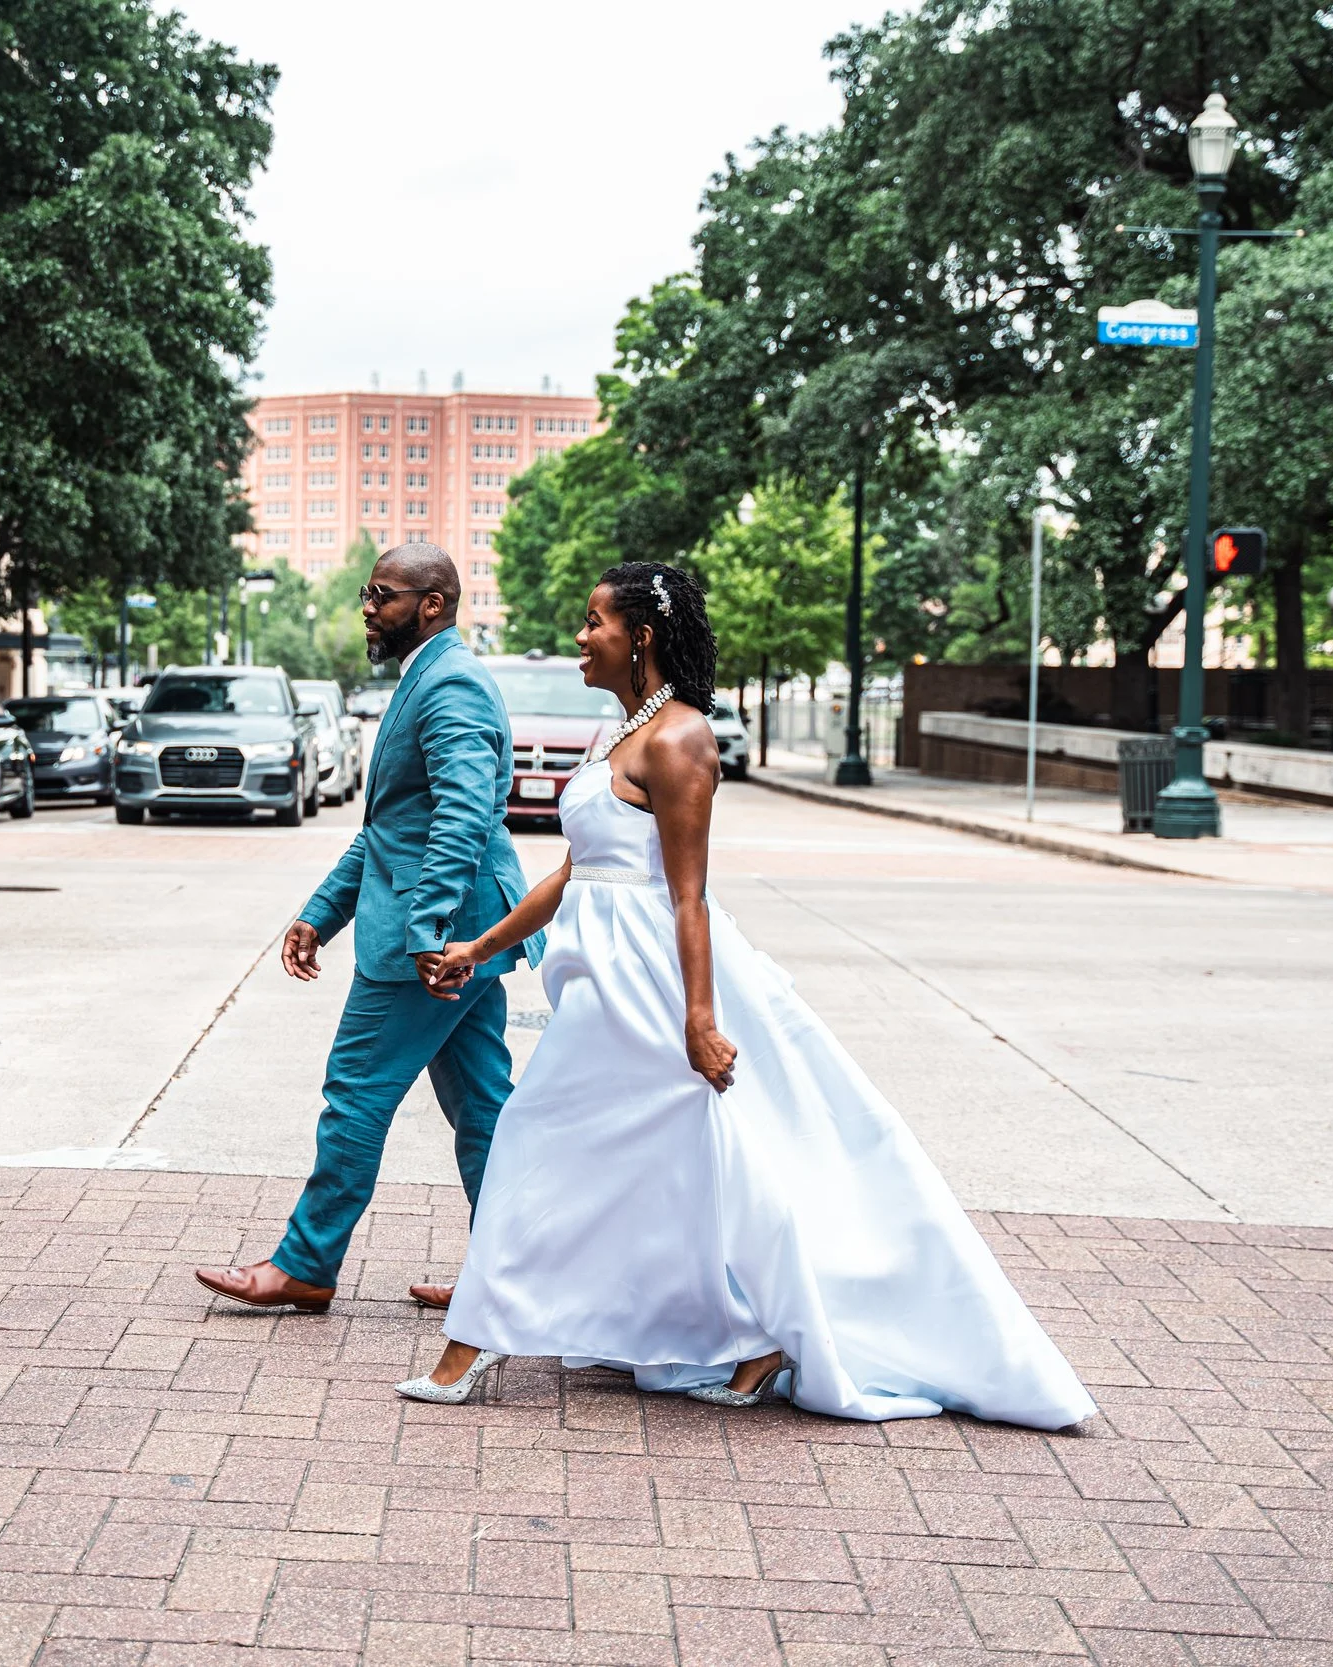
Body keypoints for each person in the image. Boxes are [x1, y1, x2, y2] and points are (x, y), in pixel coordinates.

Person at [394, 562, 1095, 1429]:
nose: (580, 637)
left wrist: (700, 1019)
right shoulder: (616, 732)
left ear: (639, 638)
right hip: (601, 984)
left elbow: (686, 894)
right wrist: (482, 947)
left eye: (593, 623)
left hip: (653, 982)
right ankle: (744, 1331)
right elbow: (579, 872)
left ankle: (477, 1343)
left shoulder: (681, 740)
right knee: (674, 1165)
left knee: (555, 1137)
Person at [193, 544, 541, 1314]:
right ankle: (510, 1272)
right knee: (485, 1105)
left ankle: (307, 1263)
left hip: (434, 946)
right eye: (366, 591)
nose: (366, 605)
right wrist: (320, 911)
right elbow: (392, 828)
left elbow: (460, 818)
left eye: (381, 593)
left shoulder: (451, 685)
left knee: (354, 1093)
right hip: (462, 935)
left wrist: (426, 932)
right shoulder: (429, 674)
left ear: (433, 603)